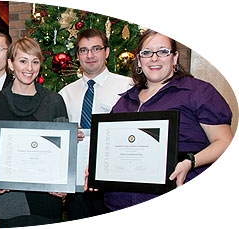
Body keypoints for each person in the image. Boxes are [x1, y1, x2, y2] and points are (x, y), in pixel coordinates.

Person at [96, 30, 233, 211]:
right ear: (139, 60)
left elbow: (224, 142)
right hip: (118, 204)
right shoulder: (125, 100)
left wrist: (191, 161)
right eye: (147, 53)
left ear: (175, 58)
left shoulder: (198, 92)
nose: (154, 58)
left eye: (163, 51)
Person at [0, 37, 69, 227]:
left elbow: (63, 156)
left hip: (47, 200)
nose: (29, 68)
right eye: (23, 61)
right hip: (9, 202)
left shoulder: (54, 102)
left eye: (35, 61)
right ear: (10, 64)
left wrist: (64, 182)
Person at [59, 28, 132, 220]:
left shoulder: (127, 87)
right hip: (78, 186)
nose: (90, 55)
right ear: (77, 56)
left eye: (96, 48)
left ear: (107, 52)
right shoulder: (65, 94)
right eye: (83, 50)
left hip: (114, 184)